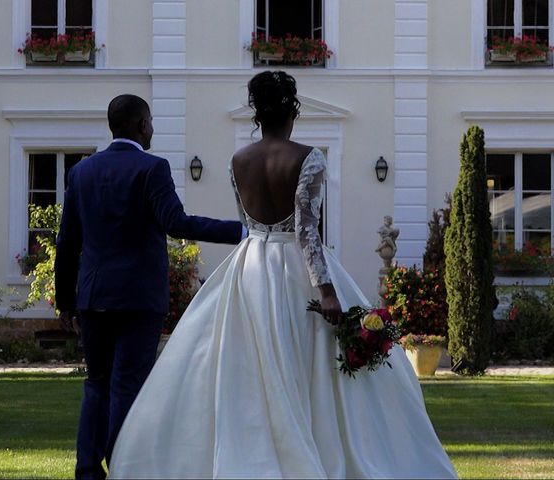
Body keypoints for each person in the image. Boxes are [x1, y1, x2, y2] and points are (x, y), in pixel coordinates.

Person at [108, 72, 457, 479]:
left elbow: (247, 222)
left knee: (246, 365)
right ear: (293, 110)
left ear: (257, 114)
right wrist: (326, 290)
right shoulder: (309, 157)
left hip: (250, 266)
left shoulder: (238, 161)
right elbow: (308, 232)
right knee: (313, 367)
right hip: (296, 265)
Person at [54, 94, 245, 480]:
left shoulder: (81, 172)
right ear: (141, 125)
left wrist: (66, 303)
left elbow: (67, 242)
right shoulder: (151, 168)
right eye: (152, 122)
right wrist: (241, 231)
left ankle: (88, 470)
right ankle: (124, 464)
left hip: (92, 297)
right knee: (128, 383)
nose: (153, 129)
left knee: (96, 384)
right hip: (139, 297)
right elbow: (176, 223)